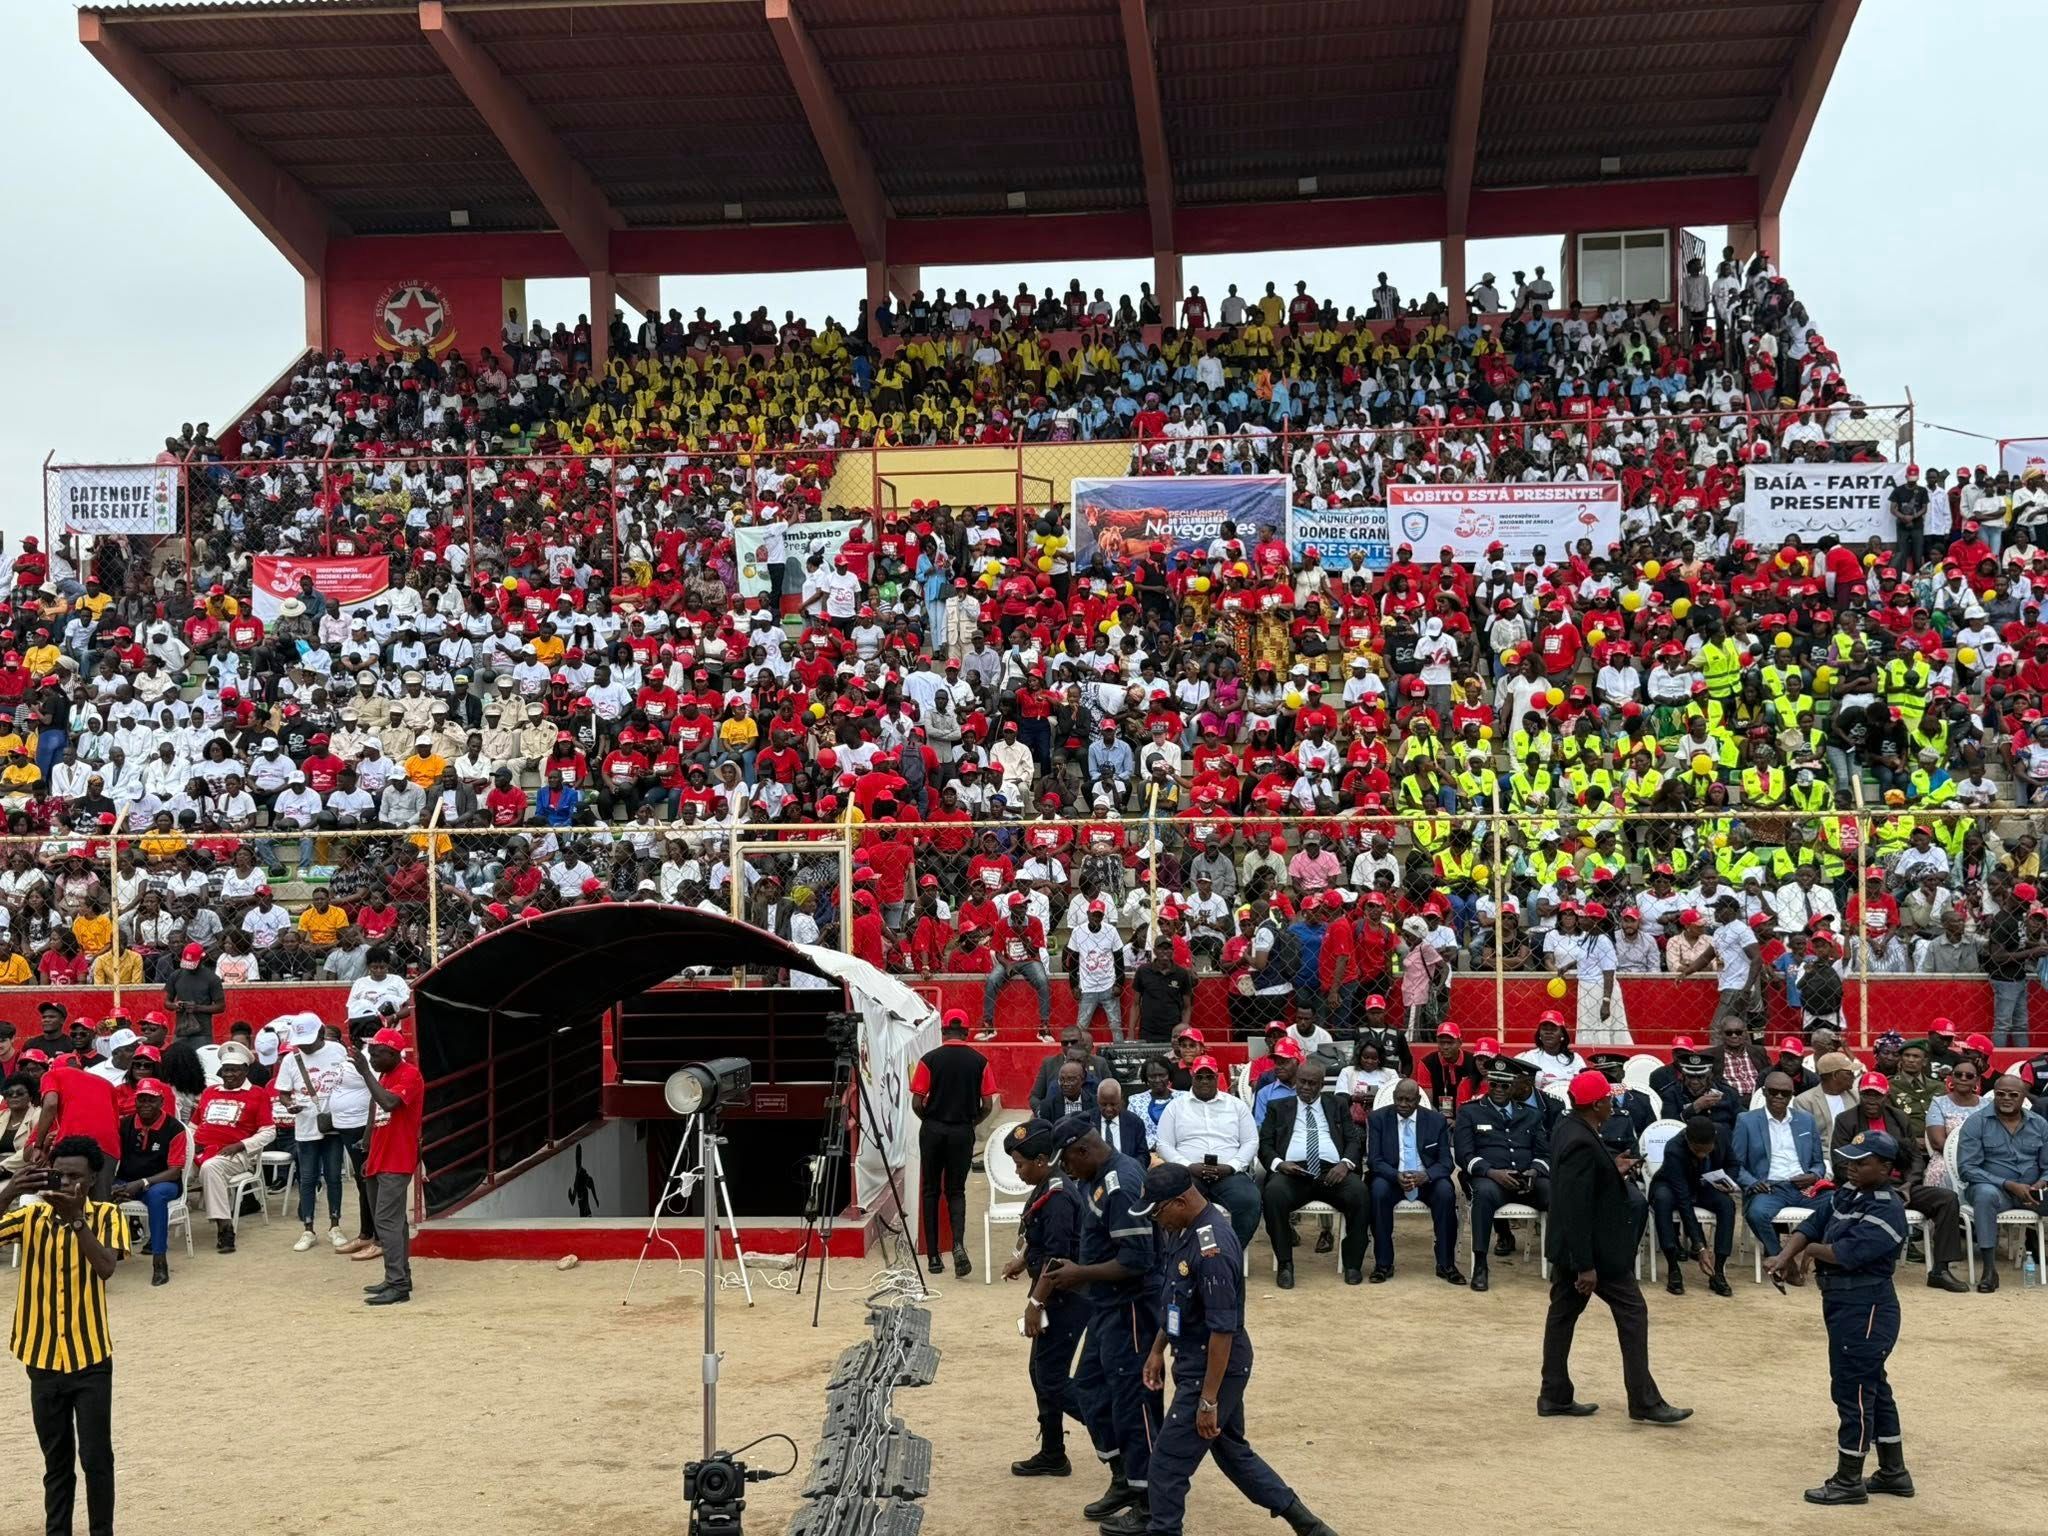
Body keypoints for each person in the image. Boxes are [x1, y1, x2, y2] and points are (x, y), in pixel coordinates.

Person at [1121, 1162, 1340, 1536]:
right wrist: (1158, 1348)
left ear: (1179, 1201)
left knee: (1168, 1465)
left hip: (1213, 1368)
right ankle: (1309, 1526)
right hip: (1199, 1359)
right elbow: (1176, 1300)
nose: (1156, 1221)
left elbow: (1222, 1331)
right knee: (1232, 1452)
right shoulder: (1182, 1230)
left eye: (1158, 1211)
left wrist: (1207, 1400)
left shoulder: (1214, 1248)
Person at [1765, 1130, 1916, 1505]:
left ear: (1885, 1168)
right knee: (1873, 1386)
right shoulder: (1848, 1193)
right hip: (1845, 1304)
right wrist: (1785, 1256)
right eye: (1850, 1159)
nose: (1851, 1166)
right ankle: (1894, 1473)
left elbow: (1845, 1252)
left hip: (1866, 1307)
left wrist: (1807, 1254)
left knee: (1854, 1391)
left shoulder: (1887, 1207)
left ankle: (1849, 1479)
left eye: (1862, 1162)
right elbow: (1813, 1224)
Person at [1538, 1070, 1690, 1425]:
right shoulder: (1580, 1140)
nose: (1613, 1102)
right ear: (1596, 1104)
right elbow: (1576, 1207)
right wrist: (1585, 1265)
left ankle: (1554, 1394)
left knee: (1562, 1317)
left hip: (1573, 1248)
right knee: (1633, 1314)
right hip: (1592, 1253)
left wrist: (1612, 1168)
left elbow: (1585, 1181)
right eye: (1608, 1098)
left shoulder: (1569, 1127)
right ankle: (1644, 1401)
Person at [2, 1141, 129, 1536]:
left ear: (93, 1180)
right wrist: (8, 1193)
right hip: (40, 1356)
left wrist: (77, 1221)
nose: (68, 1183)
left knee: (96, 1459)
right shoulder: (31, 1216)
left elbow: (106, 1267)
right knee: (55, 1461)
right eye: (61, 1176)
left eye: (77, 1176)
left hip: (89, 1358)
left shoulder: (107, 1215)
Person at [1040, 1117, 1161, 1527]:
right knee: (1090, 1388)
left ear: (1084, 1150)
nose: (1066, 1171)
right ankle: (1123, 1476)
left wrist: (1080, 1274)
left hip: (1130, 1309)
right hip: (1105, 1306)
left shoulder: (1122, 1184)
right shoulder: (1094, 1175)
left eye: (1068, 1162)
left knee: (1133, 1401)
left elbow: (1137, 1261)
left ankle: (1148, 1503)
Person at [1004, 1119, 1090, 1478]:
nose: (1017, 1170)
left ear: (1041, 1159)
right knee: (1040, 1372)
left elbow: (1057, 1260)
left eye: (1020, 1164)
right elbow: (1042, 1241)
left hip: (1066, 1298)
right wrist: (1024, 1260)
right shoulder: (1045, 1185)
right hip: (1052, 1294)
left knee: (1052, 1378)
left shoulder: (1057, 1195)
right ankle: (1053, 1452)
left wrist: (1034, 1304)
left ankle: (1115, 1430)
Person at [1256, 1057, 1369, 1285]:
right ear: (1296, 1080)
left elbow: (1353, 1140)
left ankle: (1352, 1263)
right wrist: (1280, 1163)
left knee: (1361, 1194)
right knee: (1273, 1194)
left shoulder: (1337, 1104)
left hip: (1333, 1171)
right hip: (1293, 1171)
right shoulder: (1278, 1107)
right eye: (1302, 1082)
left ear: (1321, 1085)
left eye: (1312, 1083)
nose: (1306, 1087)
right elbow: (1265, 1144)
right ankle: (1285, 1264)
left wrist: (1345, 1164)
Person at [1453, 1055, 1550, 1290]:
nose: (1498, 1089)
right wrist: (1492, 1172)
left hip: (1526, 1180)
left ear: (1513, 1085)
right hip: (1491, 1180)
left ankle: (1559, 1260)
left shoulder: (1531, 1114)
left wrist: (1534, 1172)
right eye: (1493, 1083)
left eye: (1504, 1084)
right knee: (1483, 1194)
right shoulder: (1470, 1112)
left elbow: (1545, 1154)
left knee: (1555, 1192)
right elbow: (1464, 1155)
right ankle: (1480, 1265)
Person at [910, 1009, 993, 1277]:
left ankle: (934, 1256)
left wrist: (932, 1119)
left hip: (933, 1129)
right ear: (967, 1032)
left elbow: (916, 1102)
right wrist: (970, 1122)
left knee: (930, 1190)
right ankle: (957, 1244)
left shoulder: (929, 1059)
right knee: (956, 1191)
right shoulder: (980, 1061)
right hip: (962, 1131)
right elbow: (988, 1104)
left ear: (943, 1031)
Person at [1151, 1055, 1261, 1247]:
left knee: (1249, 1200)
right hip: (1189, 1174)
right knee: (1170, 1202)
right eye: (1199, 1076)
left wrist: (1231, 1167)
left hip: (1228, 1173)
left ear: (1217, 1077)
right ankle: (1181, 1253)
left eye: (1209, 1076)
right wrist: (1188, 1166)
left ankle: (1231, 1252)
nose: (1204, 1081)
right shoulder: (1176, 1106)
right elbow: (1163, 1144)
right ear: (1192, 1076)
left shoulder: (1236, 1105)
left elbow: (1251, 1141)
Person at [1954, 1073, 2048, 1291]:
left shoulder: (2040, 1124)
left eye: (2013, 1095)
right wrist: (2008, 1184)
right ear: (1993, 1095)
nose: (2006, 1098)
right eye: (2000, 1094)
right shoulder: (1977, 1122)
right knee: (1985, 1194)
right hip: (1995, 1191)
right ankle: (1989, 1271)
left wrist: (2041, 1183)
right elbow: (1967, 1169)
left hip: (2031, 1193)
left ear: (2024, 1097)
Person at [354, 1025, 425, 1305]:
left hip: (397, 1157)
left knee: (386, 1221)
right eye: (370, 1053)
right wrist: (367, 1146)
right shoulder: (383, 1075)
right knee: (392, 1221)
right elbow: (375, 1110)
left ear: (395, 1053)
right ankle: (400, 1277)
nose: (372, 1058)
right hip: (379, 1157)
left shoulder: (409, 1074)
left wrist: (364, 1073)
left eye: (378, 1053)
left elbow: (388, 1102)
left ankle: (398, 1285)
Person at [1365, 1076, 1461, 1283]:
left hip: (1426, 1180)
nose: (1403, 1104)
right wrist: (1395, 1175)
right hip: (1392, 1178)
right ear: (1393, 1097)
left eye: (1409, 1100)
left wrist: (1426, 1176)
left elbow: (1446, 1162)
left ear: (1418, 1100)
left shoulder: (1435, 1121)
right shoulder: (1378, 1119)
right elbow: (1374, 1160)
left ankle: (1446, 1264)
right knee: (1378, 1191)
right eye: (1399, 1099)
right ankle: (1383, 1264)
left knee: (1446, 1191)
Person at [193, 1038, 276, 1252]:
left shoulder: (257, 1094)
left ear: (246, 1070)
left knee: (211, 1168)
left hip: (233, 1155)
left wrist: (240, 1145)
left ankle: (225, 1228)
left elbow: (269, 1132)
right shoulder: (210, 1092)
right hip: (199, 1150)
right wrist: (187, 1146)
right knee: (172, 1167)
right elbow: (193, 1125)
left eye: (235, 1070)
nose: (229, 1075)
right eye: (226, 1070)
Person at [1733, 1070, 1826, 1260]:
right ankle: (1782, 1259)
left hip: (1804, 1187)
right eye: (1774, 1092)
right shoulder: (1747, 1121)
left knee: (1840, 1204)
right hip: (1770, 1188)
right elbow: (1735, 1164)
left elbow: (1818, 1162)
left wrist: (1814, 1175)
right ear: (1765, 1092)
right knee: (1757, 1214)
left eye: (1785, 1093)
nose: (1779, 1097)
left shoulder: (1806, 1120)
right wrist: (1751, 1182)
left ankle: (1817, 1256)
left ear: (1792, 1095)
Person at [1647, 1115, 1735, 1296]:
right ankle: (1673, 1268)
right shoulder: (1674, 1148)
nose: (1702, 1155)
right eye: (1697, 1150)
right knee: (1663, 1200)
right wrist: (1700, 1246)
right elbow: (1683, 1200)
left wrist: (1725, 1181)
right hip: (1672, 1186)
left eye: (1707, 1150)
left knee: (1727, 1204)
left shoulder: (1723, 1134)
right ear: (1687, 1141)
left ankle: (1718, 1271)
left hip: (1705, 1184)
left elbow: (1733, 1164)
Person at [111, 1079, 186, 1286]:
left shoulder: (174, 1128)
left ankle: (159, 1261)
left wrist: (143, 1183)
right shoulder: (124, 1124)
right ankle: (110, 1251)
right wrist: (113, 1184)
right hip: (128, 1180)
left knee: (156, 1196)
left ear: (161, 1101)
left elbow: (174, 1171)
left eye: (151, 1100)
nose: (145, 1104)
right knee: (102, 1192)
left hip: (162, 1182)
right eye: (141, 1099)